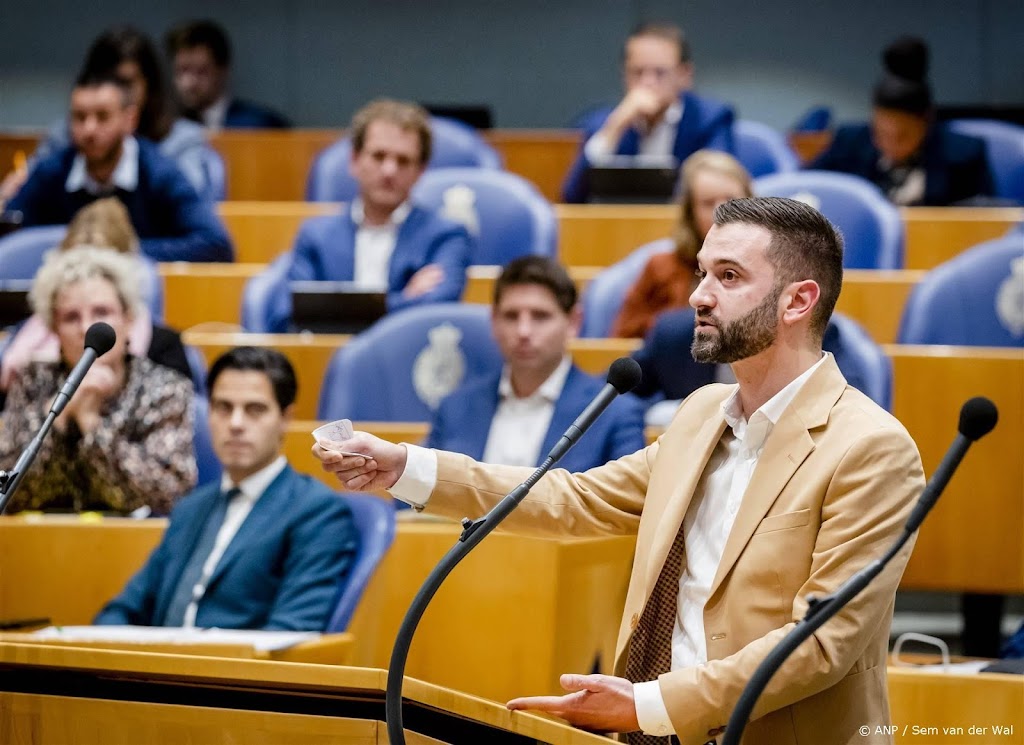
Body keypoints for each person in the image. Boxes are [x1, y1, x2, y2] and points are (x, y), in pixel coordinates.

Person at [314, 197, 925, 744]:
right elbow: (576, 500)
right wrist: (407, 469)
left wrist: (650, 706)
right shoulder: (701, 413)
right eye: (702, 273)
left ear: (798, 299)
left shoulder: (871, 448)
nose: (698, 295)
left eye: (729, 276)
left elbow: (821, 644)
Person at [95, 347, 358, 631]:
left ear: (285, 418)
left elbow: (291, 632)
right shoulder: (190, 508)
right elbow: (125, 609)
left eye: (254, 410)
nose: (235, 424)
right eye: (223, 407)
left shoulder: (316, 512)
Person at [0, 248, 196, 516]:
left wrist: (92, 424)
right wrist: (59, 414)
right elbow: (10, 490)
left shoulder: (164, 387)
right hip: (40, 542)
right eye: (71, 317)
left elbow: (168, 494)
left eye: (101, 312)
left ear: (128, 319)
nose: (85, 328)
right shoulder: (32, 381)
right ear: (53, 328)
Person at [266, 99, 472, 332]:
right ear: (354, 161)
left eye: (403, 160)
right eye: (378, 156)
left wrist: (333, 311)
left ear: (420, 171)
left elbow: (436, 310)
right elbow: (286, 315)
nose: (389, 171)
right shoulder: (316, 236)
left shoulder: (446, 235)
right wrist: (403, 299)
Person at [426, 256, 645, 472]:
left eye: (540, 316)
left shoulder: (614, 413)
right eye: (511, 316)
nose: (524, 332)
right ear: (494, 321)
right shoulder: (454, 408)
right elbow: (414, 500)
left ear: (573, 322)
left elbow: (626, 504)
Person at [3, 71, 233, 263]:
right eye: (80, 117)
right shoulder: (51, 171)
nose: (89, 129)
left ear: (129, 119)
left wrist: (120, 252)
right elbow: (9, 235)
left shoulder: (159, 173)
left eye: (102, 117)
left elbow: (215, 243)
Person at [0, 198, 192, 400]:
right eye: (76, 265)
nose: (85, 327)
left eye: (104, 268)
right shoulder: (26, 349)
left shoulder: (165, 356)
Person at [20, 26, 218, 199]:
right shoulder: (66, 138)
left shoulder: (180, 143)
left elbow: (190, 211)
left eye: (125, 83)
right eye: (105, 81)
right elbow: (24, 203)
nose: (91, 130)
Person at [562, 23, 735, 204]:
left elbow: (719, 189)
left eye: (659, 73)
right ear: (624, 75)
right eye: (637, 72)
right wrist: (615, 127)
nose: (647, 82)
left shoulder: (711, 119)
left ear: (684, 75)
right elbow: (572, 197)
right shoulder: (600, 124)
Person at [811, 36, 994, 206]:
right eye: (881, 133)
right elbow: (806, 186)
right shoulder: (849, 143)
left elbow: (986, 216)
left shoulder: (964, 154)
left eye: (903, 135)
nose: (891, 144)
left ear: (927, 122)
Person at [612, 150, 752, 338]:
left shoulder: (769, 265)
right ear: (690, 213)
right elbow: (624, 337)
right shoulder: (660, 268)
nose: (722, 212)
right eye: (708, 203)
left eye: (732, 200)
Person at [164, 19, 290, 130]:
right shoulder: (165, 128)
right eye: (182, 70)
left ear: (223, 70)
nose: (189, 83)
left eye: (201, 71)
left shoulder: (259, 124)